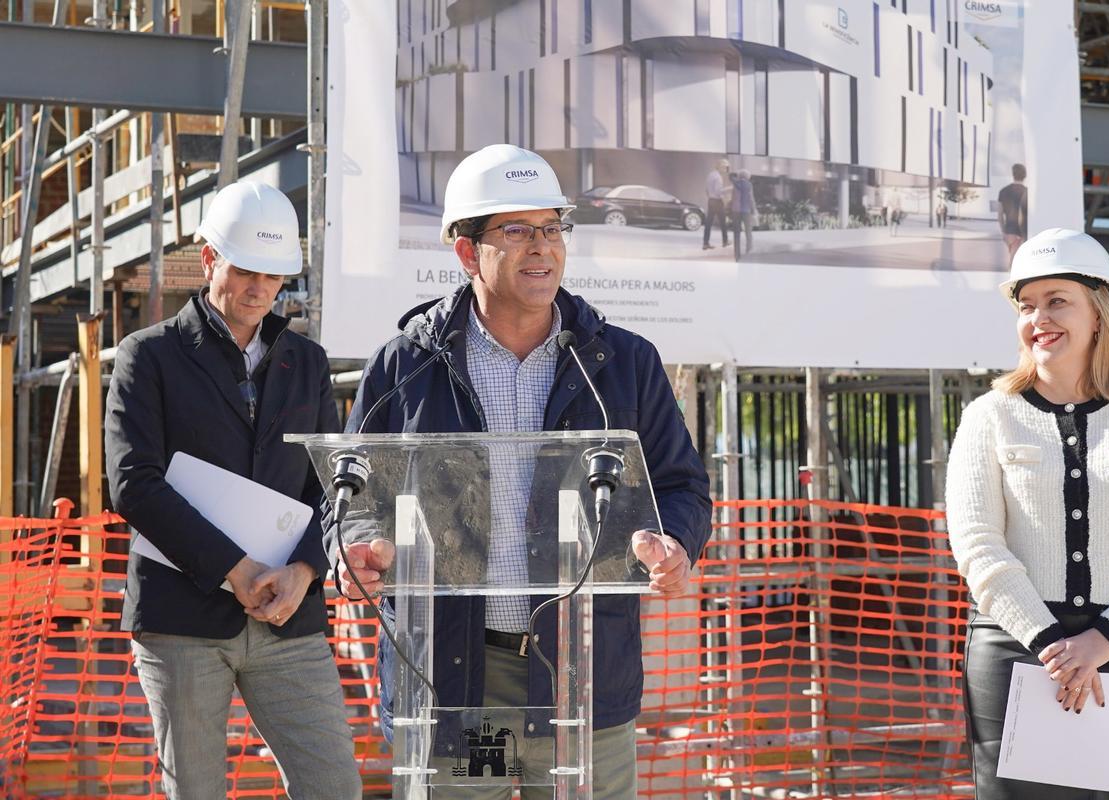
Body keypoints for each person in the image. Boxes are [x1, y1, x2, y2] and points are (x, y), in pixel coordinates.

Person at [327, 144, 712, 799]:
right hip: (459, 686)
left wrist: (674, 542)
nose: (542, 247)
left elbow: (681, 487)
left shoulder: (620, 364)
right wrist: (355, 549)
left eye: (552, 228)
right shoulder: (405, 367)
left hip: (581, 679)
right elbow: (352, 496)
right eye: (516, 230)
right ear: (467, 251)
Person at [105, 181, 361, 799]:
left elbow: (334, 484)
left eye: (273, 277)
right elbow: (133, 485)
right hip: (182, 620)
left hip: (287, 613)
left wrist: (305, 568)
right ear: (209, 257)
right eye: (246, 271)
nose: (259, 290)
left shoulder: (306, 361)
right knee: (195, 791)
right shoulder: (149, 356)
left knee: (334, 786)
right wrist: (234, 568)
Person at [946, 228, 1109, 799]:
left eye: (1058, 300)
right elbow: (978, 544)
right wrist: (1050, 646)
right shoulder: (988, 418)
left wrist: (1103, 641)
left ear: (1099, 314)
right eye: (1027, 305)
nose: (1039, 317)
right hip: (1017, 653)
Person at [997, 163, 1028, 267]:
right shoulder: (1027, 192)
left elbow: (1000, 215)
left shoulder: (1003, 191)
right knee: (1016, 262)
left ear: (1013, 174)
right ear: (1025, 175)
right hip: (1023, 232)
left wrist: (1003, 231)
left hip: (1009, 230)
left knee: (1013, 258)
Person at [702, 157, 730, 250]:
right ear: (720, 167)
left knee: (708, 223)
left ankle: (705, 243)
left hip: (711, 201)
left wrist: (711, 197)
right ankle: (725, 242)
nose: (726, 169)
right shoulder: (718, 177)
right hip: (717, 201)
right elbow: (719, 192)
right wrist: (730, 189)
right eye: (725, 167)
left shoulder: (710, 175)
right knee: (723, 222)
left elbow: (706, 189)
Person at [731, 168, 757, 261]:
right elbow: (751, 198)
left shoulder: (735, 184)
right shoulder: (749, 185)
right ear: (747, 176)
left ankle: (737, 256)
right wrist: (753, 210)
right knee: (748, 232)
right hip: (746, 211)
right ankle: (748, 253)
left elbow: (733, 198)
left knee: (736, 234)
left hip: (736, 211)